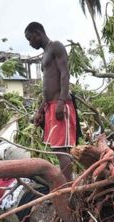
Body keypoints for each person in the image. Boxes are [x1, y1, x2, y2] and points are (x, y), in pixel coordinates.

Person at [24, 22, 77, 181]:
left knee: (61, 150)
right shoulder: (46, 53)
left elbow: (65, 75)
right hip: (51, 106)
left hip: (60, 105)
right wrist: (41, 110)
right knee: (58, 149)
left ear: (37, 33)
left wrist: (61, 101)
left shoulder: (56, 47)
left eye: (29, 39)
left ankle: (69, 189)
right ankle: (69, 185)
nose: (30, 43)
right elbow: (48, 86)